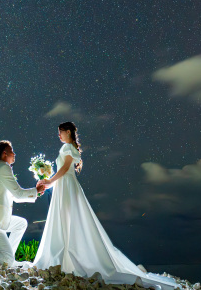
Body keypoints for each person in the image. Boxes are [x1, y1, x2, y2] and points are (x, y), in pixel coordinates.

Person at [33, 122, 177, 290]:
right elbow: (64, 170)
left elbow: (65, 168)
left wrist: (50, 180)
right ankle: (65, 258)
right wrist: (49, 182)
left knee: (67, 218)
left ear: (68, 132)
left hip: (66, 187)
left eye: (60, 132)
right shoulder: (69, 148)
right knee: (66, 218)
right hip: (64, 186)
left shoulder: (67, 148)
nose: (59, 135)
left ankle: (67, 258)